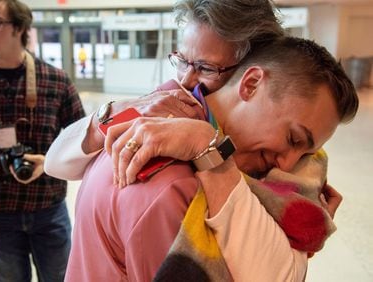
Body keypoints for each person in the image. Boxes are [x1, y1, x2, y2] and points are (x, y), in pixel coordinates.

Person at [65, 35, 358, 281]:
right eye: (293, 139)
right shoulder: (176, 185)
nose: (287, 164)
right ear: (252, 83)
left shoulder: (150, 120)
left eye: (306, 154)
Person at [45, 0, 341, 214]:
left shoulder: (277, 145)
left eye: (206, 67)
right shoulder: (163, 107)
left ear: (250, 77)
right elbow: (56, 163)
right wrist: (113, 113)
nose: (186, 79)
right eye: (183, 60)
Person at [0, 0, 85, 281]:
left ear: (20, 27)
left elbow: (82, 144)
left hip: (48, 207)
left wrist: (48, 161)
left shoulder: (56, 81)